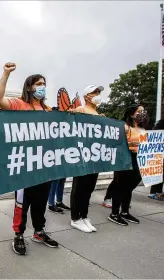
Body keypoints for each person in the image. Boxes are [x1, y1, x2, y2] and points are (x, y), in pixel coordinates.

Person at [0, 62, 59, 256]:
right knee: (22, 203)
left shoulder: (48, 110)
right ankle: (18, 234)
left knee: (40, 203)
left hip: (45, 166)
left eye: (44, 83)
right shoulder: (18, 105)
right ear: (29, 87)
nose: (42, 86)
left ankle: (39, 231)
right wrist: (5, 73)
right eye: (38, 83)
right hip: (24, 166)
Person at [69, 85, 104, 233]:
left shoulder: (97, 113)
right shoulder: (81, 110)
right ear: (86, 96)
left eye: (98, 92)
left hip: (94, 156)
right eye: (94, 92)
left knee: (89, 187)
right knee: (79, 187)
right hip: (82, 155)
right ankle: (75, 218)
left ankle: (84, 216)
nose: (97, 94)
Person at [108, 104, 148, 226]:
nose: (143, 113)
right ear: (132, 114)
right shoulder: (125, 127)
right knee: (121, 186)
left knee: (129, 186)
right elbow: (116, 141)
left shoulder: (143, 129)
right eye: (139, 111)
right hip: (125, 159)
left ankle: (125, 211)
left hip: (138, 159)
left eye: (143, 111)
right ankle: (114, 213)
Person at [148, 117, 164, 200]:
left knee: (162, 176)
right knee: (159, 176)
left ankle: (159, 192)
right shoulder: (160, 134)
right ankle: (153, 193)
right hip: (161, 158)